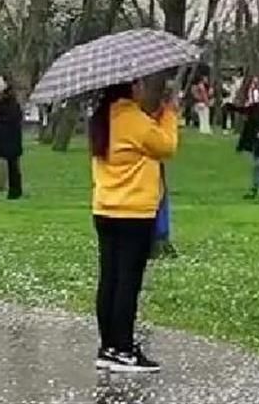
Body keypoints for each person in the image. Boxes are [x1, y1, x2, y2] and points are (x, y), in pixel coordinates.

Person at [89, 79, 178, 373]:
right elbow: (166, 145)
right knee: (128, 281)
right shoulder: (132, 119)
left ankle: (109, 346)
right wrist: (169, 114)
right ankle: (124, 348)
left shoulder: (102, 118)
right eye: (139, 85)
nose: (143, 89)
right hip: (133, 212)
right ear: (130, 89)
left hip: (105, 208)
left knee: (110, 279)